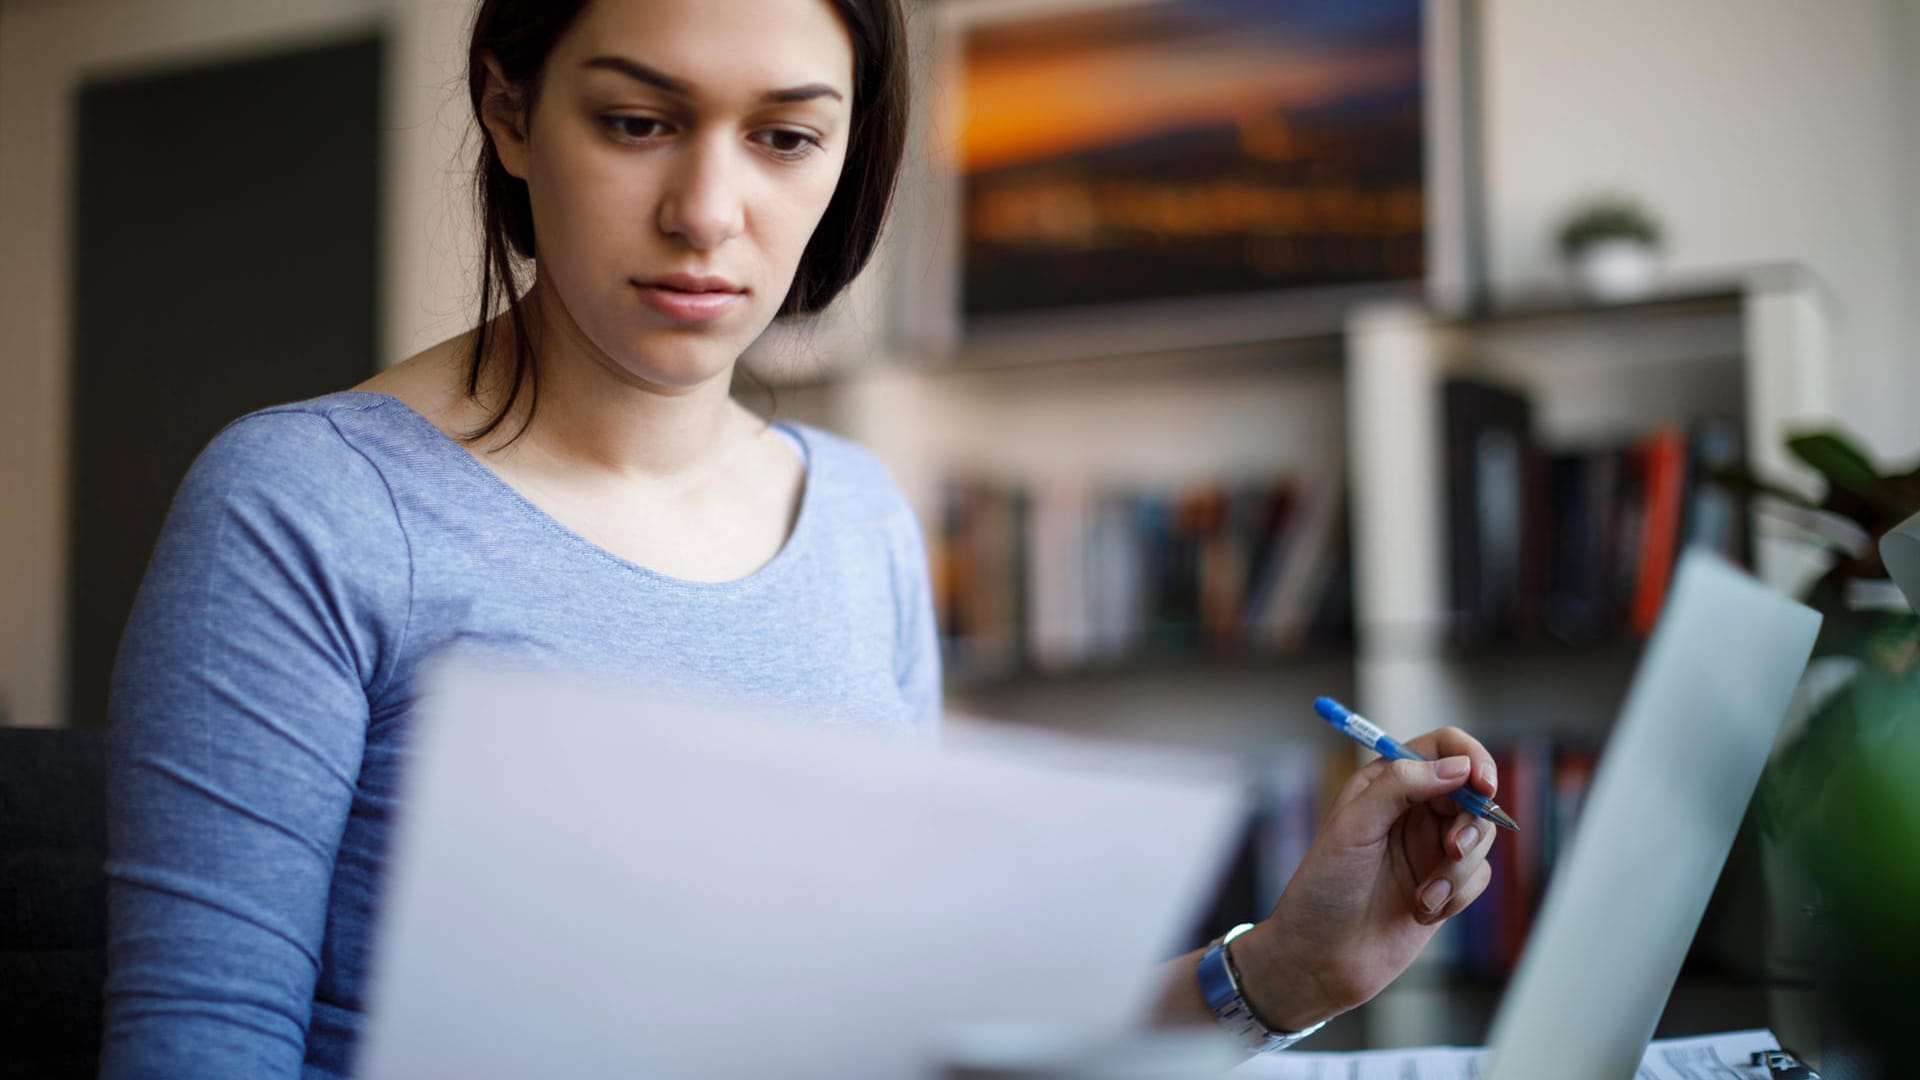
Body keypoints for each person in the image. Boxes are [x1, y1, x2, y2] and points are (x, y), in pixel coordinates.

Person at [99, 0, 1499, 1074]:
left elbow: (938, 1040)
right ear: (510, 111)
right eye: (637, 121)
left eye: (784, 136)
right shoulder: (306, 507)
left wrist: (1279, 975)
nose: (709, 212)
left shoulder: (858, 520)